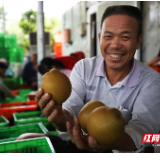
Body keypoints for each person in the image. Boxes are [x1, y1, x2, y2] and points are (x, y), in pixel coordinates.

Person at [18, 5, 160, 153]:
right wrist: (60, 119)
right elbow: (70, 114)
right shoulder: (84, 68)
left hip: (123, 150)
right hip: (78, 145)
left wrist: (109, 142)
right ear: (100, 38)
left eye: (125, 37)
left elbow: (146, 135)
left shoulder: (153, 82)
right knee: (23, 142)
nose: (115, 45)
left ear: (138, 41)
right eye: (108, 36)